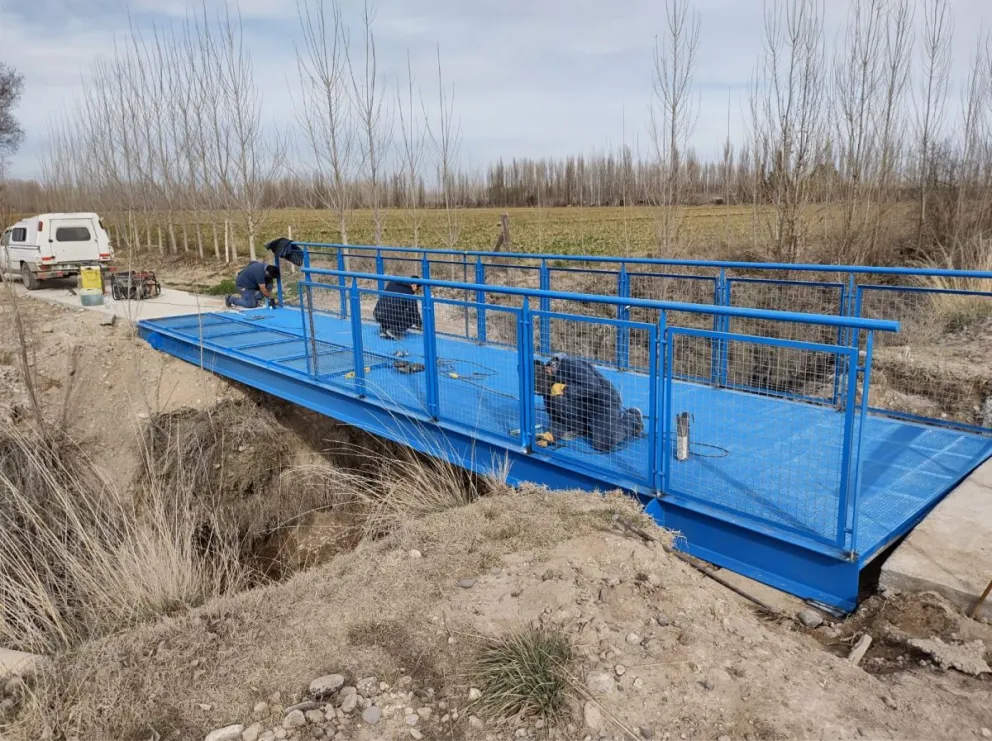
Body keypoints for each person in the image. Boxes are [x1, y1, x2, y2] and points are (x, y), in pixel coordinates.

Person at [533, 352, 644, 453]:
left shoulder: (569, 364)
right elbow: (556, 415)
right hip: (583, 406)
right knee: (557, 400)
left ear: (546, 370)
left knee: (603, 444)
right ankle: (583, 427)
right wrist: (551, 435)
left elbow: (593, 387)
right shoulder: (546, 386)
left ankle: (632, 418)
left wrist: (565, 389)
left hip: (602, 402)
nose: (542, 392)